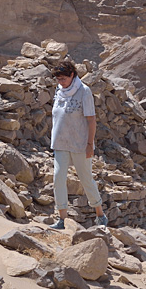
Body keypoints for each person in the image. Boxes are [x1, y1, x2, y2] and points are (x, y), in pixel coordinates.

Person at [49, 59, 108, 229]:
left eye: (63, 78)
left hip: (80, 143)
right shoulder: (59, 91)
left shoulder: (84, 91)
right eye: (58, 79)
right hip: (60, 142)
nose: (61, 82)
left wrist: (89, 144)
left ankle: (100, 214)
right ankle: (62, 218)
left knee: (86, 178)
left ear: (72, 75)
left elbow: (91, 120)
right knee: (58, 178)